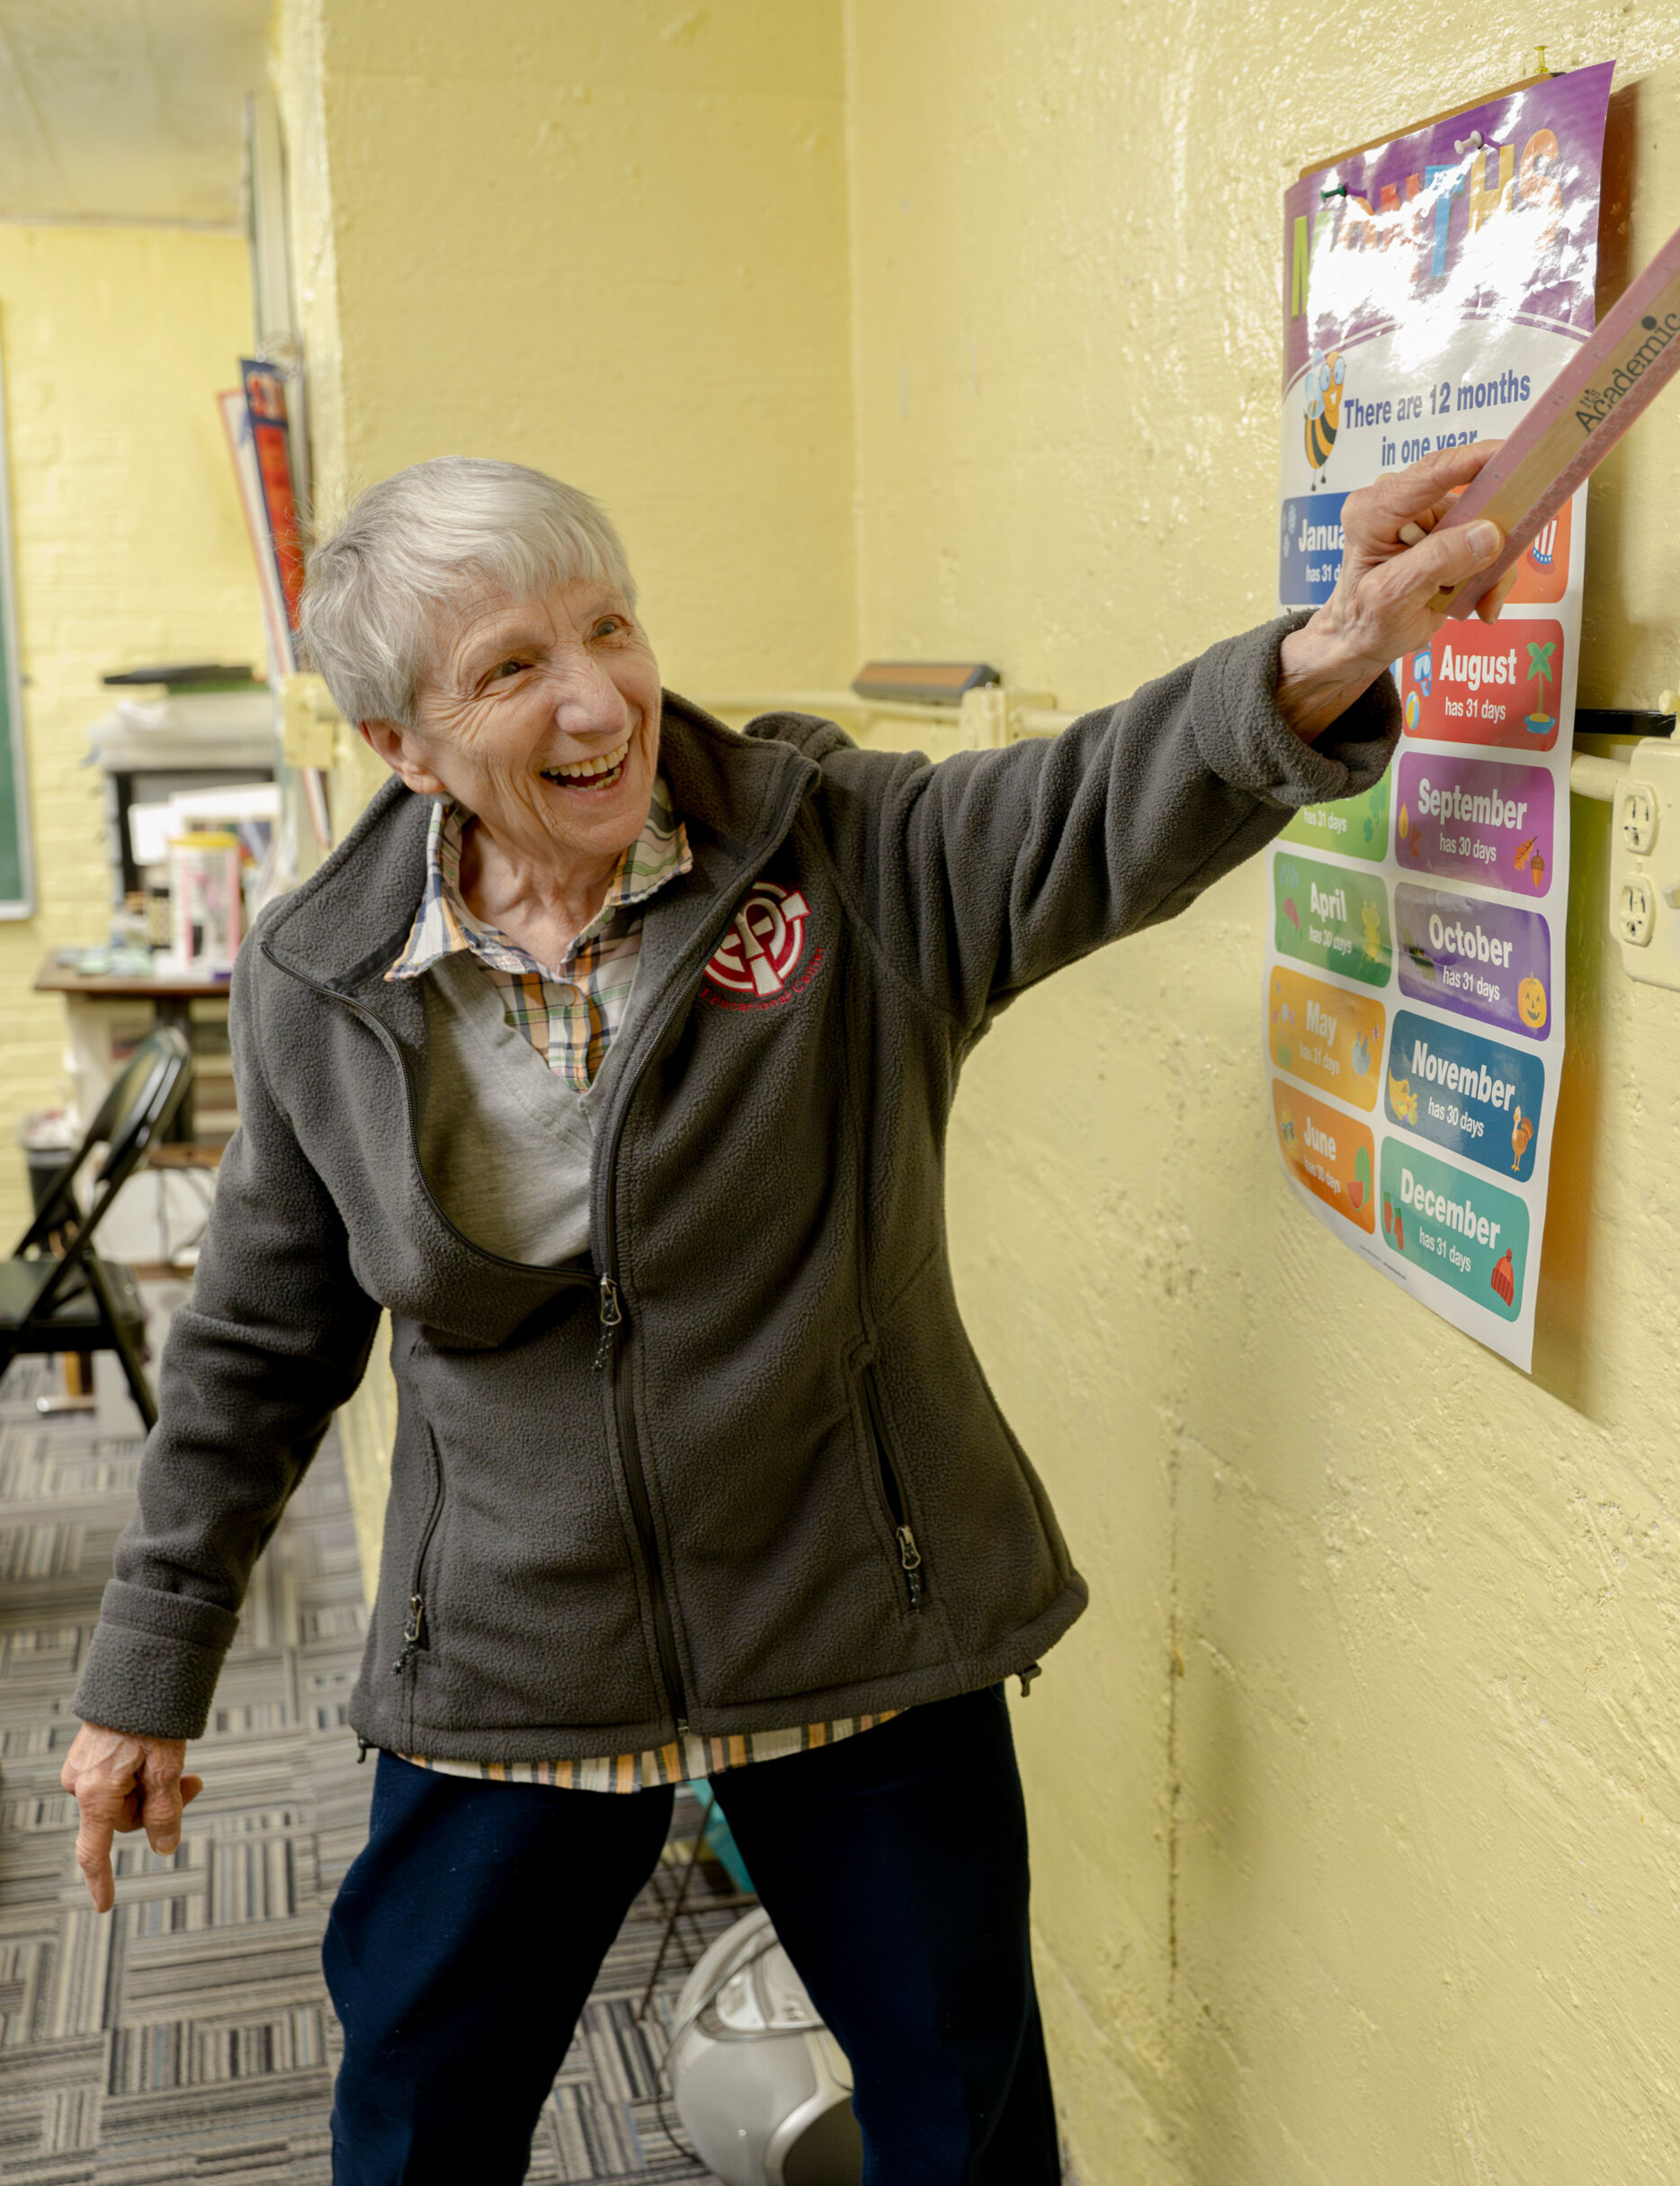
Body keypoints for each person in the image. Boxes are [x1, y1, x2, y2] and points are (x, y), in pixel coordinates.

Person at [58, 447, 1511, 2182]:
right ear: (403, 745)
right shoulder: (322, 977)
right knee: (417, 2128)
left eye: (609, 625)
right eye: (513, 667)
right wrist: (145, 1675)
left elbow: (1080, 808)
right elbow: (255, 1346)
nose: (599, 695)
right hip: (514, 1652)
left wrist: (1323, 658)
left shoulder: (840, 855)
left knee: (959, 2130)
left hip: (853, 1622)